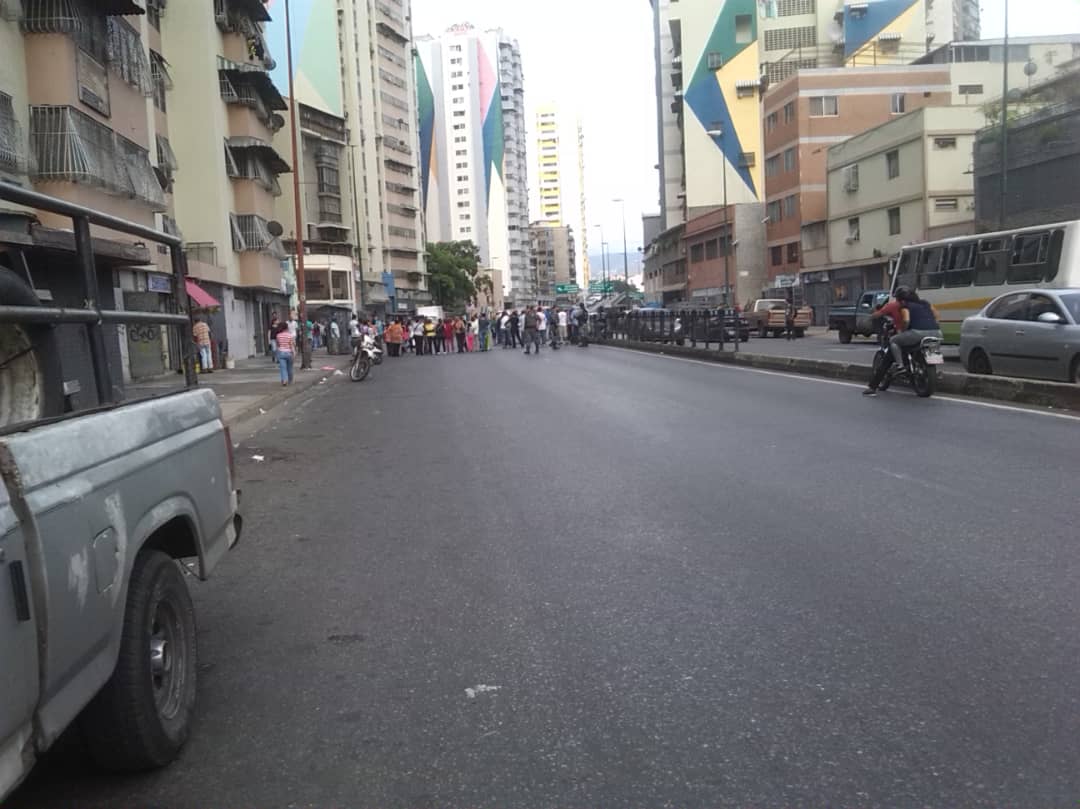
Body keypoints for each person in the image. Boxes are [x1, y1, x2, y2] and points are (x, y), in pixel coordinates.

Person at [864, 287, 943, 395]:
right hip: (936, 332)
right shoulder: (925, 303)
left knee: (892, 347)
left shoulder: (902, 306)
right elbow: (937, 316)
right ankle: (931, 368)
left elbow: (905, 320)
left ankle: (897, 368)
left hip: (915, 333)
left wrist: (904, 330)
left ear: (901, 299)